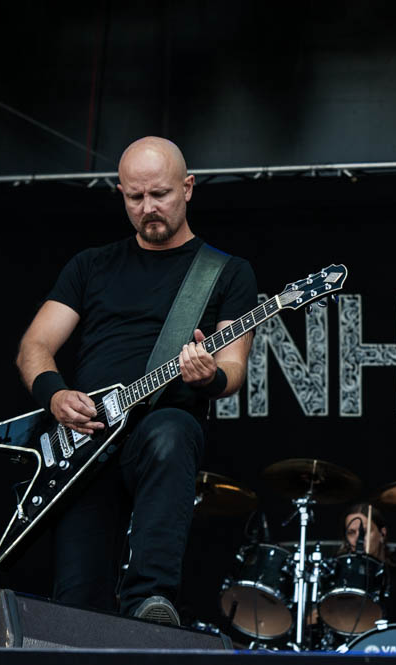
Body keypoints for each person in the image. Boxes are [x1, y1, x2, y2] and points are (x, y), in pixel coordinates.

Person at [15, 136, 257, 626]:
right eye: (134, 197)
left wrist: (208, 377)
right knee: (78, 606)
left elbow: (233, 370)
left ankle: (151, 598)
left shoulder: (226, 273)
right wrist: (56, 393)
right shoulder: (91, 265)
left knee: (173, 429)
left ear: (188, 188)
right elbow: (34, 347)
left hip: (159, 427)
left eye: (160, 194)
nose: (148, 208)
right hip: (88, 440)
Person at [333, 503, 396, 627]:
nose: (358, 539)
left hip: (392, 643)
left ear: (382, 534)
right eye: (352, 532)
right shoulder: (337, 573)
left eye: (365, 532)